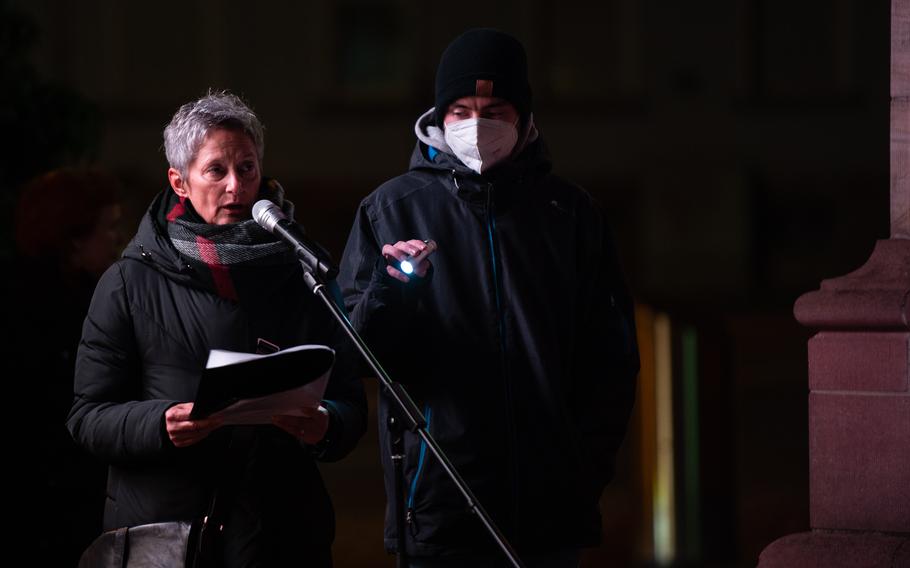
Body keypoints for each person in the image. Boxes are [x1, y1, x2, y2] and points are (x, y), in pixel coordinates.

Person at [338, 28, 640, 567]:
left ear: (523, 116)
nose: (478, 125)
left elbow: (611, 362)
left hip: (549, 513)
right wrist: (394, 291)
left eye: (495, 109)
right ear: (438, 116)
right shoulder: (391, 211)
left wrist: (584, 470)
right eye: (460, 109)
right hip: (439, 507)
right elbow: (358, 356)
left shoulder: (570, 216)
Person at [66, 91, 367, 567]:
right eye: (216, 171)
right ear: (179, 181)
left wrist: (326, 424)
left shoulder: (300, 272)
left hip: (283, 536)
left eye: (247, 168)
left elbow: (351, 399)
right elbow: (88, 416)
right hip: (170, 539)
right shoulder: (129, 281)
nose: (236, 187)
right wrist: (160, 424)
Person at [3, 168, 124, 567]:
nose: (116, 241)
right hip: (52, 505)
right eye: (108, 228)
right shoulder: (76, 310)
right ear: (74, 237)